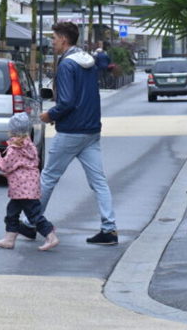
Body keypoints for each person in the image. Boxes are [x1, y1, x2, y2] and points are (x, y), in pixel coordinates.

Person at [34, 21, 118, 245]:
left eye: (53, 38)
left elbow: (68, 101)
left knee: (48, 177)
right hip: (91, 130)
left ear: (63, 39)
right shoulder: (88, 61)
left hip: (71, 130)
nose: (52, 42)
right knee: (99, 181)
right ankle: (109, 229)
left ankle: (32, 222)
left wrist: (50, 114)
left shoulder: (66, 65)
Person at [0, 112, 59, 251]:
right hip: (27, 187)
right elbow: (24, 165)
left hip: (21, 189)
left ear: (12, 130)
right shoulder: (29, 145)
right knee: (12, 212)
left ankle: (51, 236)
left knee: (34, 215)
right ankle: (9, 239)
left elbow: (5, 166)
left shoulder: (15, 149)